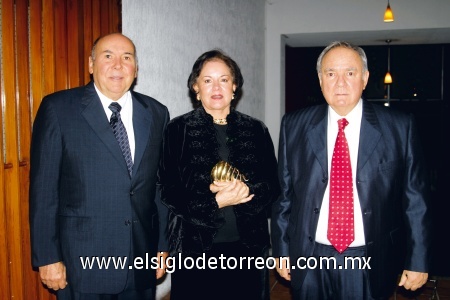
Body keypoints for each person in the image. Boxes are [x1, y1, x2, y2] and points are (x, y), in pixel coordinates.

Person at [271, 41, 432, 300]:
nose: (340, 83)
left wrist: (419, 259)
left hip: (368, 260)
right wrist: (281, 250)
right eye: (331, 73)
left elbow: (416, 201)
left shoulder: (400, 127)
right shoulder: (294, 125)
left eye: (350, 73)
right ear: (320, 80)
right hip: (310, 257)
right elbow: (284, 197)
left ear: (365, 78)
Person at [29, 33, 170, 299]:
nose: (118, 65)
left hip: (140, 258)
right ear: (91, 65)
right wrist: (48, 257)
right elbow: (44, 190)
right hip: (81, 263)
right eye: (108, 56)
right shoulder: (58, 109)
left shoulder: (156, 113)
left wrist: (162, 244)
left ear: (136, 68)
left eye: (127, 57)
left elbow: (160, 187)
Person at [158, 49, 280, 300]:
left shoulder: (256, 129)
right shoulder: (177, 130)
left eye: (224, 79)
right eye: (207, 80)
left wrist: (248, 191)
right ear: (196, 87)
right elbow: (168, 190)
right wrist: (214, 202)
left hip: (248, 249)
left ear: (234, 86)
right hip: (195, 249)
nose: (216, 87)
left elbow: (273, 184)